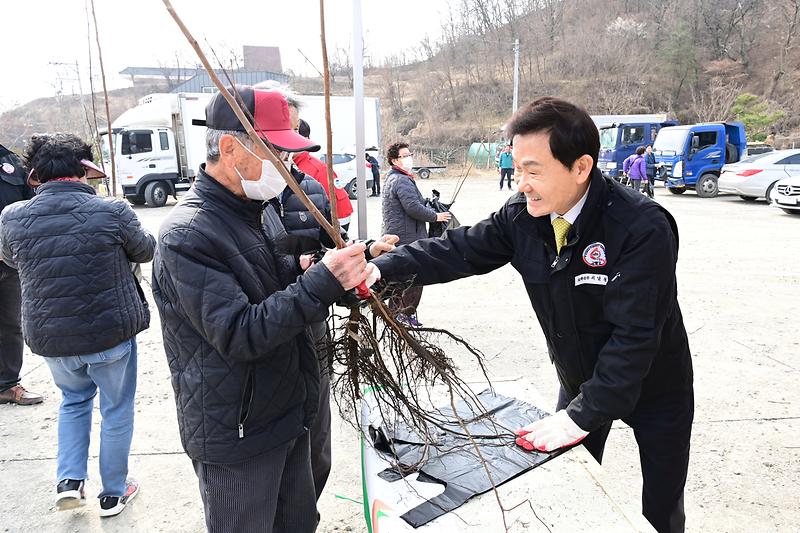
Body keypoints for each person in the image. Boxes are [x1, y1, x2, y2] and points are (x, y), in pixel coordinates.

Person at [372, 97, 694, 533]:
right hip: (579, 379)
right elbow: (457, 250)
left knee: (661, 505)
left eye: (533, 170)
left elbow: (635, 338)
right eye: (517, 168)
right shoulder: (522, 215)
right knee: (566, 483)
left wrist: (579, 417)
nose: (520, 183)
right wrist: (379, 269)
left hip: (657, 388)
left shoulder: (641, 227)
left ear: (581, 168)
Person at [151, 86, 379, 533]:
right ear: (231, 148)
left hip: (286, 412)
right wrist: (321, 280)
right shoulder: (188, 234)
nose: (289, 165)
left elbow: (270, 279)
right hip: (238, 430)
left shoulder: (255, 209)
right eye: (278, 152)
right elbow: (240, 332)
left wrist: (333, 271)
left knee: (297, 522)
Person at [0, 133, 154, 516]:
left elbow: (11, 260)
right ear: (84, 170)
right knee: (116, 409)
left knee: (73, 401)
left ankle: (69, 481)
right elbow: (146, 250)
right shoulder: (113, 211)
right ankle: (113, 492)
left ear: (35, 174)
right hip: (109, 333)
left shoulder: (12, 217)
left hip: (52, 339)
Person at [381, 142, 450, 327]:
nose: (409, 158)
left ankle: (395, 314)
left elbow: (415, 202)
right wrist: (436, 216)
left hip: (400, 235)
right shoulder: (401, 180)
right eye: (405, 156)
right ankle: (406, 313)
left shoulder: (396, 177)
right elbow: (412, 208)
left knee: (399, 277)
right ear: (394, 160)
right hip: (407, 237)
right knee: (415, 276)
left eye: (409, 154)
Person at [0, 143, 42, 406]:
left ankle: (7, 385)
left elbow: (31, 204)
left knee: (10, 325)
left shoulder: (9, 160)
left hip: (9, 262)